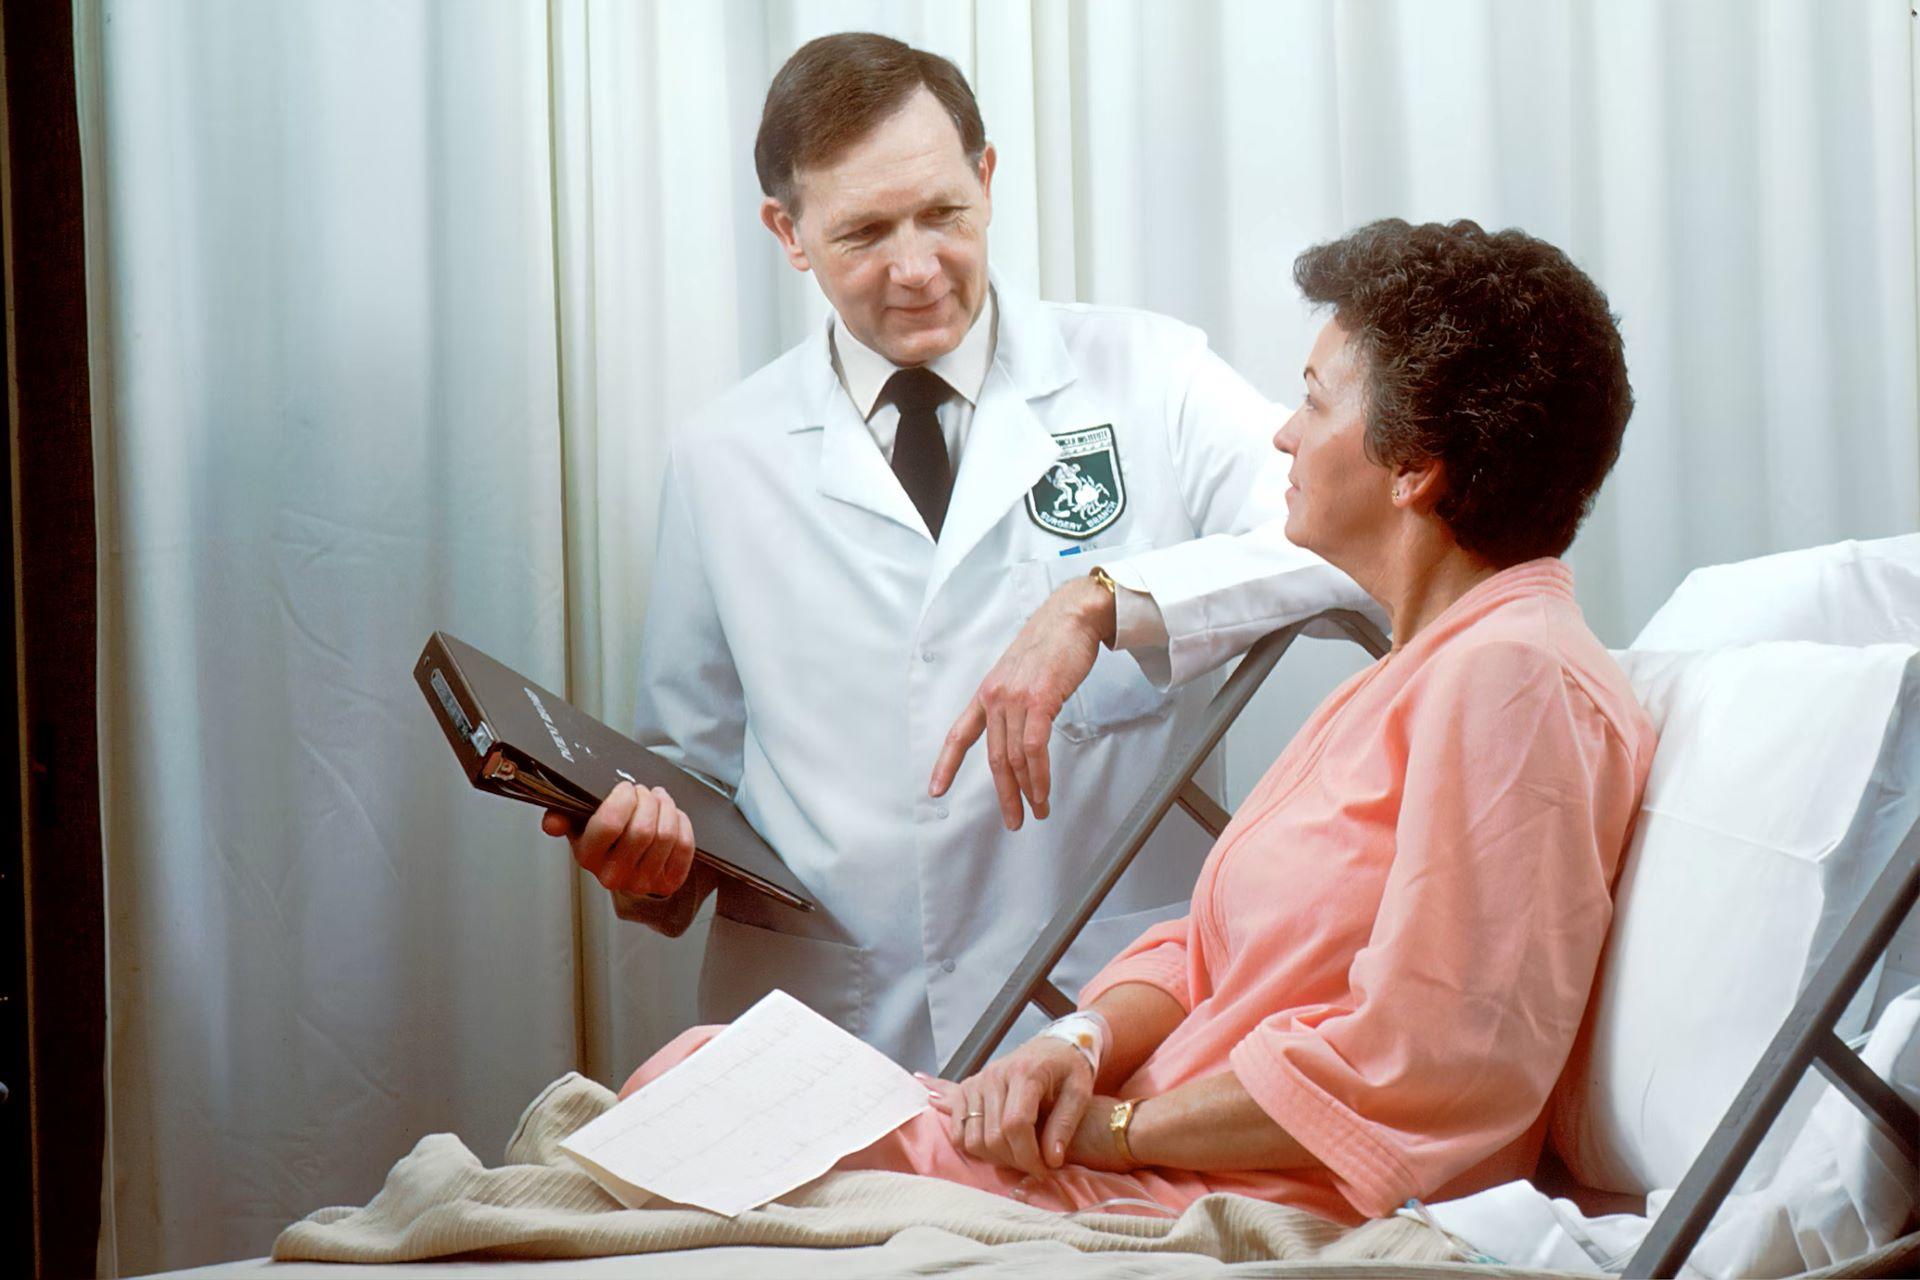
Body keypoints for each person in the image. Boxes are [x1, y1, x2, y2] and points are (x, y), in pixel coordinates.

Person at [619, 218, 1659, 1223]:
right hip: (1139, 1145)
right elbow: (1206, 948)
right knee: (707, 1076)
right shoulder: (1413, 672)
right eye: (862, 230)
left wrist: (1113, 1129)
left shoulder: (1514, 682)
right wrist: (1072, 1042)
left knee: (694, 1112)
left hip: (1230, 1189)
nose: (1283, 432)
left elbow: (1426, 1065)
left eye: (1313, 400)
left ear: (1413, 467)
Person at [542, 32, 1370, 1072]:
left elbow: (1355, 538)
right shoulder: (722, 457)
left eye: (943, 213)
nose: (918, 268)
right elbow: (687, 781)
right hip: (833, 1038)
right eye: (864, 234)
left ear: (986, 176)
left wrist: (1101, 599)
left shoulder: (1150, 374)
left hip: (1101, 1022)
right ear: (787, 233)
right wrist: (646, 865)